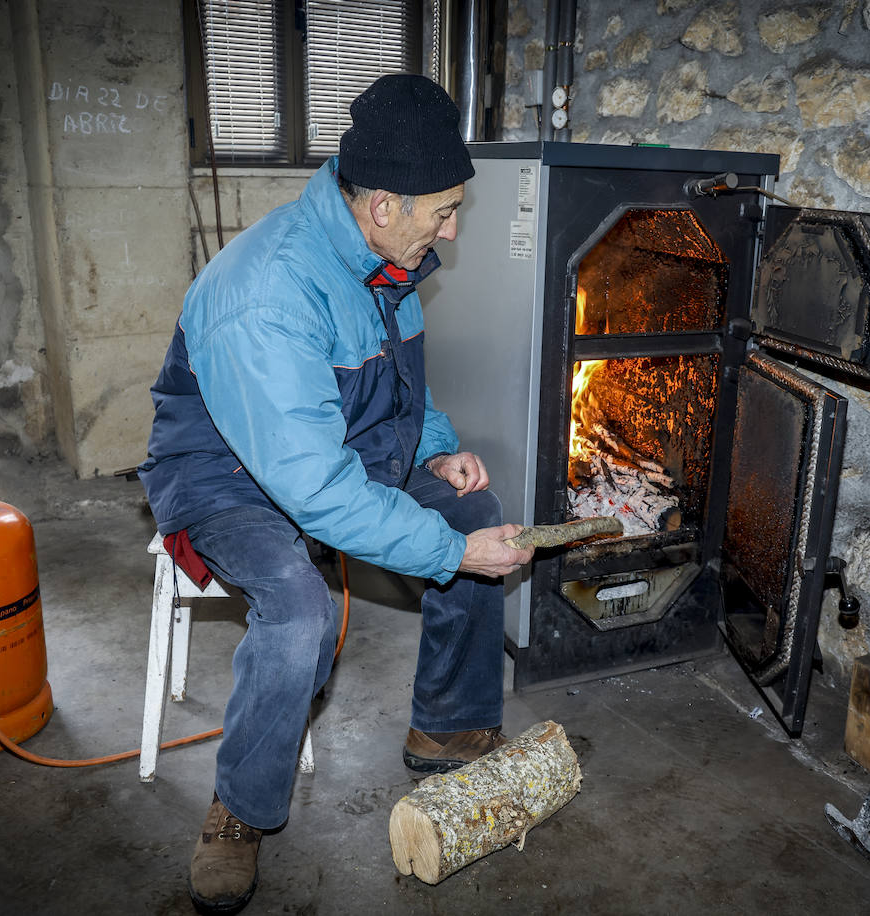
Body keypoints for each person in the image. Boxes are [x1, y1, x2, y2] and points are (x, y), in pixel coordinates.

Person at [138, 74, 533, 914]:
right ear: (383, 204)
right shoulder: (270, 295)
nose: (452, 230)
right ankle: (237, 812)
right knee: (300, 610)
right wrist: (449, 553)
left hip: (328, 453)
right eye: (444, 210)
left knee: (472, 510)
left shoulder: (393, 257)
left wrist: (439, 451)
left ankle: (450, 727)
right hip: (227, 477)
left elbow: (400, 390)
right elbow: (313, 488)